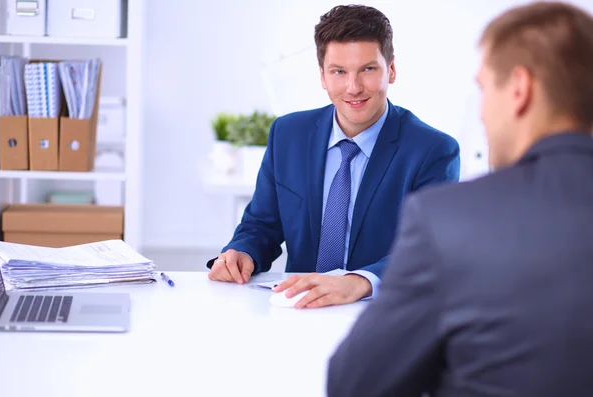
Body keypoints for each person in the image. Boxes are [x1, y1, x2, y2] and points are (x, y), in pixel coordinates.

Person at [327, 1, 593, 396]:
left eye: (485, 88)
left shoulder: (449, 219)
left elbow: (355, 384)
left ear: (519, 90)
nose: (483, 113)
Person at [207, 4, 460, 309]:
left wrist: (360, 282)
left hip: (380, 312)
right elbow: (261, 224)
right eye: (339, 72)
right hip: (297, 310)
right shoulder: (288, 134)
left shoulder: (433, 150)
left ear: (390, 70)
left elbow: (430, 248)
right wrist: (242, 252)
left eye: (368, 69)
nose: (353, 88)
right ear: (323, 76)